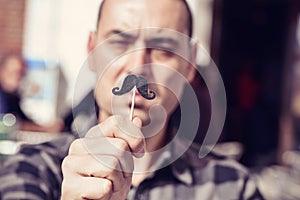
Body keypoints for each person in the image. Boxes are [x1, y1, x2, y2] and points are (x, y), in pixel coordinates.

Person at [0, 0, 264, 199]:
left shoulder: (232, 187)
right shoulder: (30, 169)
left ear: (190, 63)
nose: (138, 68)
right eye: (119, 42)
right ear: (92, 50)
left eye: (163, 49)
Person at [0, 52, 64, 133]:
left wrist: (46, 127)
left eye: (21, 73)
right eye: (14, 72)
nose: (18, 77)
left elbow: (23, 120)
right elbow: (10, 125)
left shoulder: (12, 97)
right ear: (2, 71)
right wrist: (46, 129)